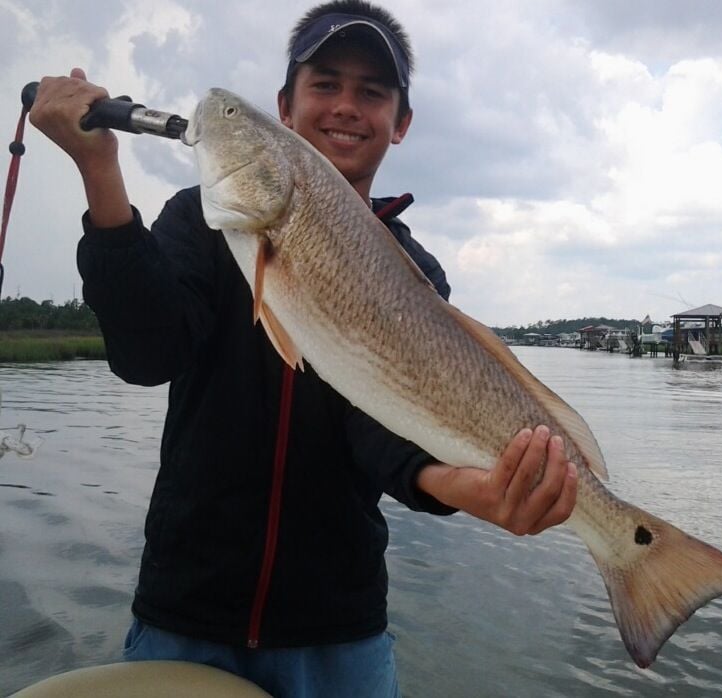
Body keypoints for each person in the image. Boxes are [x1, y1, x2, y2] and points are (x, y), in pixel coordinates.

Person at [30, 1, 577, 695]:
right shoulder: (198, 223)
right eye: (324, 84)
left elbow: (378, 424)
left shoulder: (417, 275)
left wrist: (466, 489)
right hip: (186, 616)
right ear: (285, 107)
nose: (346, 105)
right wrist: (100, 173)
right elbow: (147, 354)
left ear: (400, 122)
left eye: (371, 91)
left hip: (339, 635)